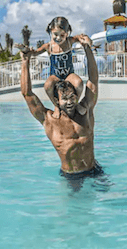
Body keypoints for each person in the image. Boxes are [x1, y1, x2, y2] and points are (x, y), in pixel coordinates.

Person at [20, 33, 102, 189]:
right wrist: (25, 62)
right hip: (72, 175)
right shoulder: (49, 120)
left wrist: (87, 49)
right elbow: (27, 94)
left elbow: (93, 80)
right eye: (65, 99)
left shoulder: (86, 111)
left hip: (94, 170)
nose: (70, 102)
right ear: (57, 101)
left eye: (72, 97)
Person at [21, 17, 85, 118]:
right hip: (56, 76)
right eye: (55, 34)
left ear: (67, 33)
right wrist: (28, 50)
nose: (58, 38)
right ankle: (56, 106)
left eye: (62, 35)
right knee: (47, 85)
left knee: (79, 83)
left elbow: (79, 38)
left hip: (69, 75)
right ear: (51, 31)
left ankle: (76, 103)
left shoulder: (69, 41)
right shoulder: (49, 46)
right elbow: (35, 53)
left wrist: (85, 40)